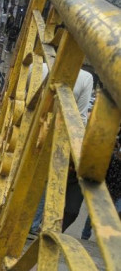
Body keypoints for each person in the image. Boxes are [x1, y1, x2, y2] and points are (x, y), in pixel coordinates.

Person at [29, 67, 94, 236]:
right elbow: (80, 118)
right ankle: (33, 225)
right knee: (45, 182)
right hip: (58, 138)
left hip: (30, 133)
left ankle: (29, 222)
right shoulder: (86, 78)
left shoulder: (38, 67)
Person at [81, 132, 121, 240]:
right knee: (95, 214)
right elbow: (103, 172)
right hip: (105, 189)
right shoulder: (111, 157)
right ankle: (85, 234)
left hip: (119, 193)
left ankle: (107, 239)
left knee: (115, 215)